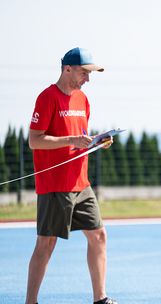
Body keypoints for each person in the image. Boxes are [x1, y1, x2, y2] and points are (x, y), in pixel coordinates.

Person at [25, 47, 117, 304]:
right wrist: (72, 140)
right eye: (84, 73)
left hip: (81, 183)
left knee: (99, 235)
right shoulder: (47, 98)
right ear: (67, 69)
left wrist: (97, 141)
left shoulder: (83, 100)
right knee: (46, 244)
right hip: (55, 185)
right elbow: (35, 141)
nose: (88, 79)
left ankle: (100, 299)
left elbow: (79, 139)